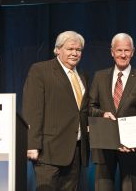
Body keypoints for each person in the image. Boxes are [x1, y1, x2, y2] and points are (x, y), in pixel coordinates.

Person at [22, 31, 89, 191]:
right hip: (48, 152)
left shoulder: (83, 76)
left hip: (75, 151)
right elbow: (33, 109)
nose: (74, 53)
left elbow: (82, 111)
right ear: (57, 50)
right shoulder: (41, 70)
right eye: (70, 48)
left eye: (78, 50)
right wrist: (31, 144)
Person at [89, 33, 136, 191]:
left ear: (133, 52)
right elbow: (90, 107)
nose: (123, 54)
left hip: (131, 148)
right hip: (104, 146)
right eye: (119, 50)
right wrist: (102, 114)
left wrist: (128, 139)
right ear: (112, 52)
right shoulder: (99, 76)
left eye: (127, 50)